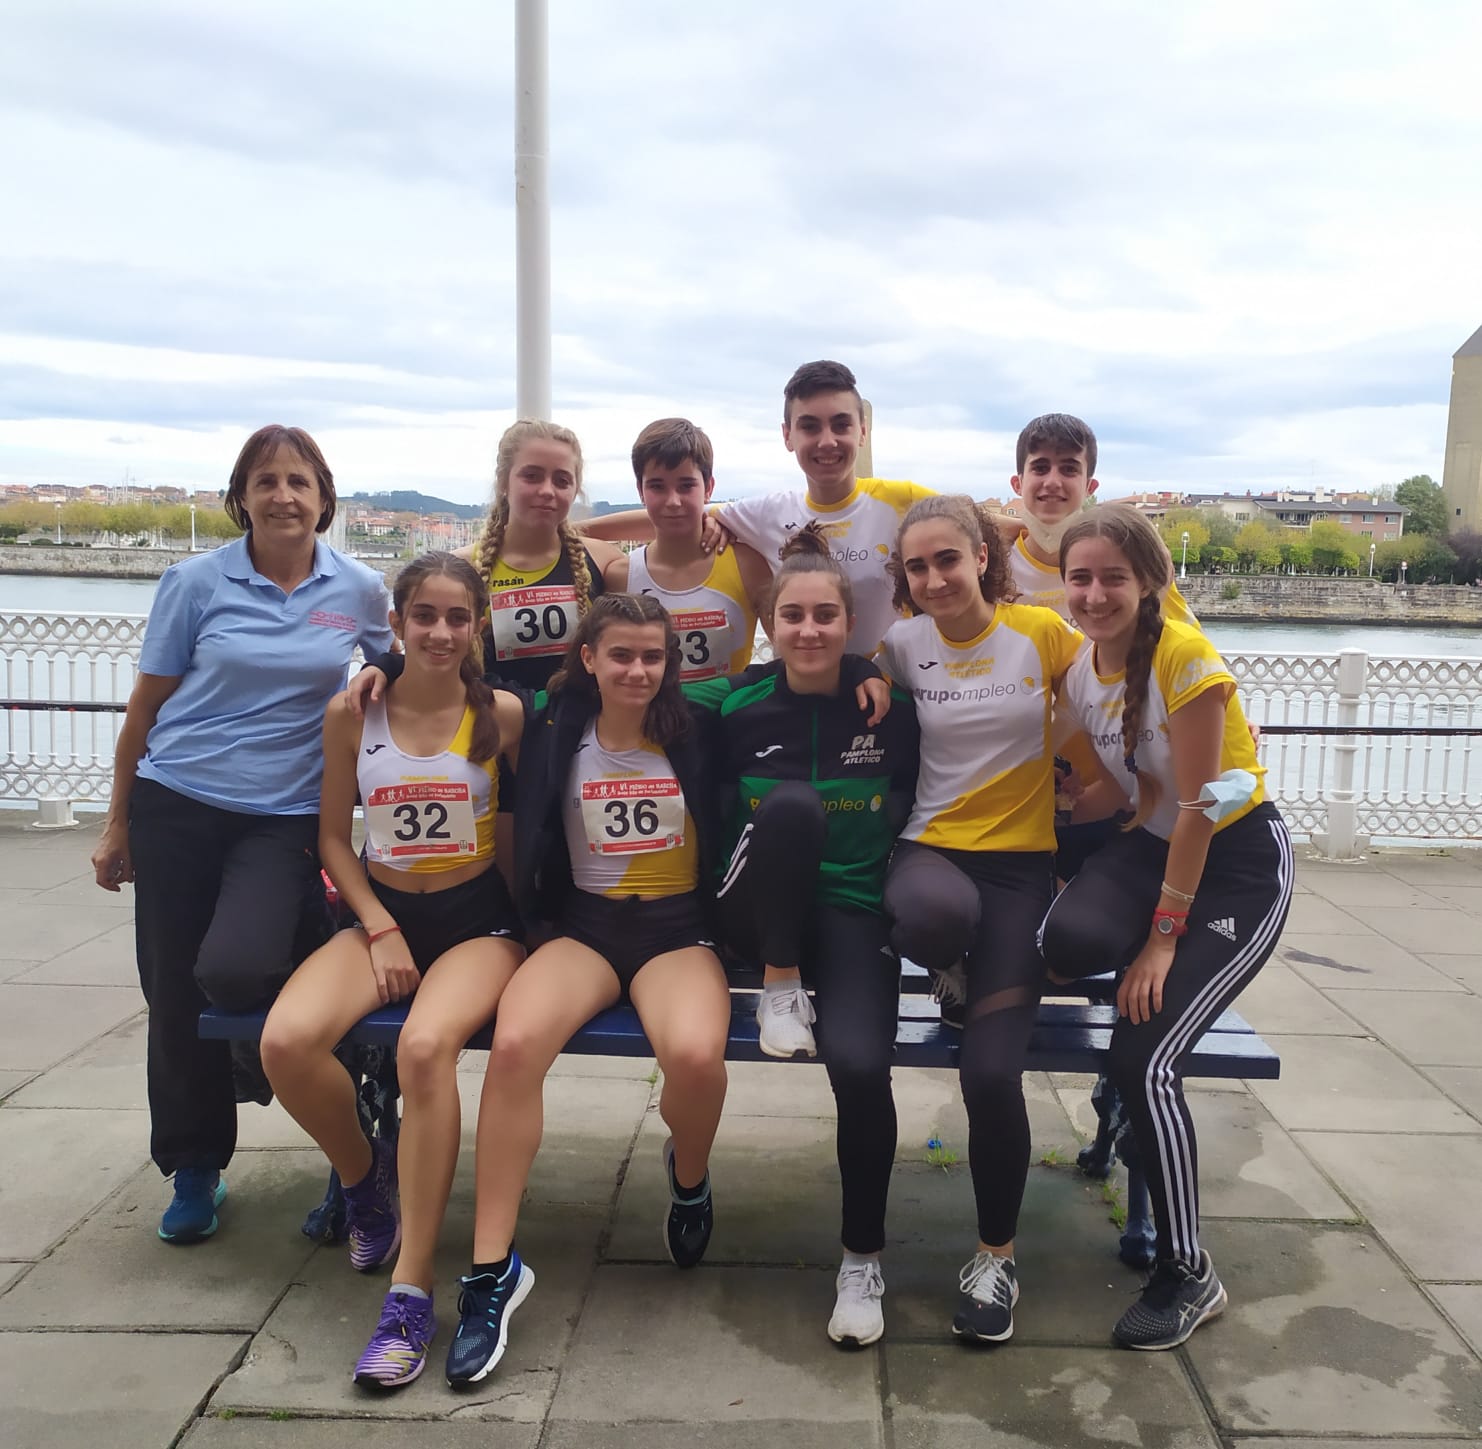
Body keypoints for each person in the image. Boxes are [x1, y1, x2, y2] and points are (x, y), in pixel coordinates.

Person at [90, 425, 394, 1243]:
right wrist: (117, 823)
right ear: (242, 496)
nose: (284, 496)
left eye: (299, 481)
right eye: (267, 481)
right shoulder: (196, 581)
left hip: (284, 813)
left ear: (324, 496)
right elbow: (144, 712)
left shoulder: (359, 589)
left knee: (236, 963)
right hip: (177, 800)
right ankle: (195, 1166)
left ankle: (318, 1076)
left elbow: (401, 671)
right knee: (173, 989)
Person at [447, 592, 732, 1388]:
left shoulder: (699, 728)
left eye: (653, 656)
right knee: (512, 1045)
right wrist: (374, 665)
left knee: (696, 1056)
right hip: (583, 927)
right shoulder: (546, 727)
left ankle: (689, 1177)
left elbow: (787, 684)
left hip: (676, 931)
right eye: (622, 655)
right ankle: (492, 1270)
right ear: (589, 659)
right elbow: (450, 677)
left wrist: (866, 674)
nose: (638, 670)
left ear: (671, 662)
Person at [258, 552, 528, 1389]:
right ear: (397, 624)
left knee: (422, 1051)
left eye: (458, 617)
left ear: (478, 626)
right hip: (384, 918)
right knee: (287, 1042)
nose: (441, 631)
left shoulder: (503, 714)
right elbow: (335, 834)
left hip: (478, 922)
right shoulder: (354, 712)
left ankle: (411, 1289)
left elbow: (520, 840)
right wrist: (377, 924)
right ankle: (363, 1179)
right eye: (424, 615)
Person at [1038, 505, 1292, 1350]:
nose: (1096, 592)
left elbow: (1198, 806)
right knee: (1063, 942)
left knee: (1145, 1055)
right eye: (1081, 577)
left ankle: (1189, 1268)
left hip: (1234, 862)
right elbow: (1122, 791)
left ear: (1151, 579)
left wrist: (1162, 936)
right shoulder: (1081, 672)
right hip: (1152, 844)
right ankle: (1117, 1100)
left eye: (1114, 575)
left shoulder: (1184, 658)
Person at [688, 525, 919, 1348]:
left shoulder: (886, 703)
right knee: (790, 806)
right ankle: (779, 983)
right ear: (770, 622)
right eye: (793, 615)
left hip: (853, 911)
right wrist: (393, 669)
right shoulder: (734, 701)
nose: (810, 630)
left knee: (861, 1065)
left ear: (848, 621)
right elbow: (612, 683)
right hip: (754, 914)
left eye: (827, 615)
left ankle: (861, 1260)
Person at [879, 494, 1080, 1344]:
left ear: (982, 559)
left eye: (947, 560)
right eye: (916, 566)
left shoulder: (1040, 633)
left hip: (1022, 873)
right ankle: (948, 969)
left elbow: (1117, 683)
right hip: (930, 852)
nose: (932, 579)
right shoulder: (898, 646)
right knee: (930, 912)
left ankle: (995, 1257)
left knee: (991, 1076)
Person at [582, 361, 937, 656]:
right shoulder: (767, 514)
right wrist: (570, 532)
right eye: (810, 426)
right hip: (803, 692)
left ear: (863, 431)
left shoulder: (902, 499)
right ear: (787, 436)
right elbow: (678, 514)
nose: (827, 440)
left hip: (888, 687)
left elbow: (973, 525)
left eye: (840, 424)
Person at [1002, 413, 1198, 626]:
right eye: (1040, 468)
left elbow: (1192, 647)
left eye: (1069, 469)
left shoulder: (1130, 562)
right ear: (1017, 483)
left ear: (1090, 487)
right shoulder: (991, 566)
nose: (1053, 481)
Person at [624, 417, 772, 681]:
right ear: (640, 490)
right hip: (649, 722)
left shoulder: (748, 566)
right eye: (657, 486)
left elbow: (788, 651)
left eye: (686, 485)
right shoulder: (620, 575)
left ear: (709, 488)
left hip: (727, 719)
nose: (673, 501)